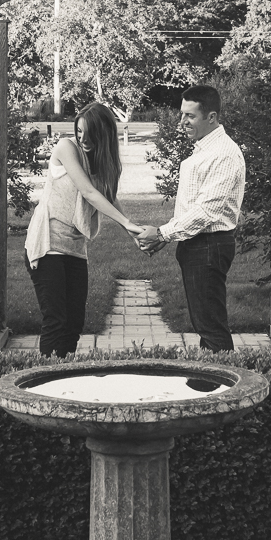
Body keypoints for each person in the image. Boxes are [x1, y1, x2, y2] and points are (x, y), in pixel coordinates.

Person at [25, 101, 143, 356]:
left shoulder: (101, 162)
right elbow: (89, 192)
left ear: (103, 133)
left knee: (74, 323)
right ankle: (47, 384)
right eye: (79, 131)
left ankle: (65, 374)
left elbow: (108, 196)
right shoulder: (66, 147)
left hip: (75, 248)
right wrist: (127, 223)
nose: (83, 138)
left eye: (89, 133)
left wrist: (132, 232)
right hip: (48, 244)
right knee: (55, 321)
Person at [134, 85, 245, 352]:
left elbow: (207, 211)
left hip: (209, 246)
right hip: (198, 244)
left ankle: (222, 387)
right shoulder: (205, 148)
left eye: (190, 116)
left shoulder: (224, 154)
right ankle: (211, 384)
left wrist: (162, 234)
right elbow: (195, 206)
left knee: (210, 326)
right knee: (205, 324)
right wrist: (167, 237)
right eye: (182, 114)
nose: (182, 122)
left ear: (212, 117)